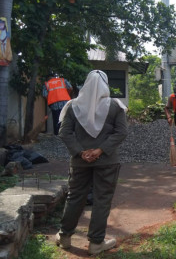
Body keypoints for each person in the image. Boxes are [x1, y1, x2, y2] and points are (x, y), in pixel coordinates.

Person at [55, 70, 128, 255]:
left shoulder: (73, 106)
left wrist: (81, 152)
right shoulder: (115, 106)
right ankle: (96, 243)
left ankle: (64, 237)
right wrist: (100, 150)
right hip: (107, 161)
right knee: (101, 200)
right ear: (105, 84)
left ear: (85, 84)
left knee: (75, 198)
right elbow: (121, 132)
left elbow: (64, 133)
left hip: (80, 162)